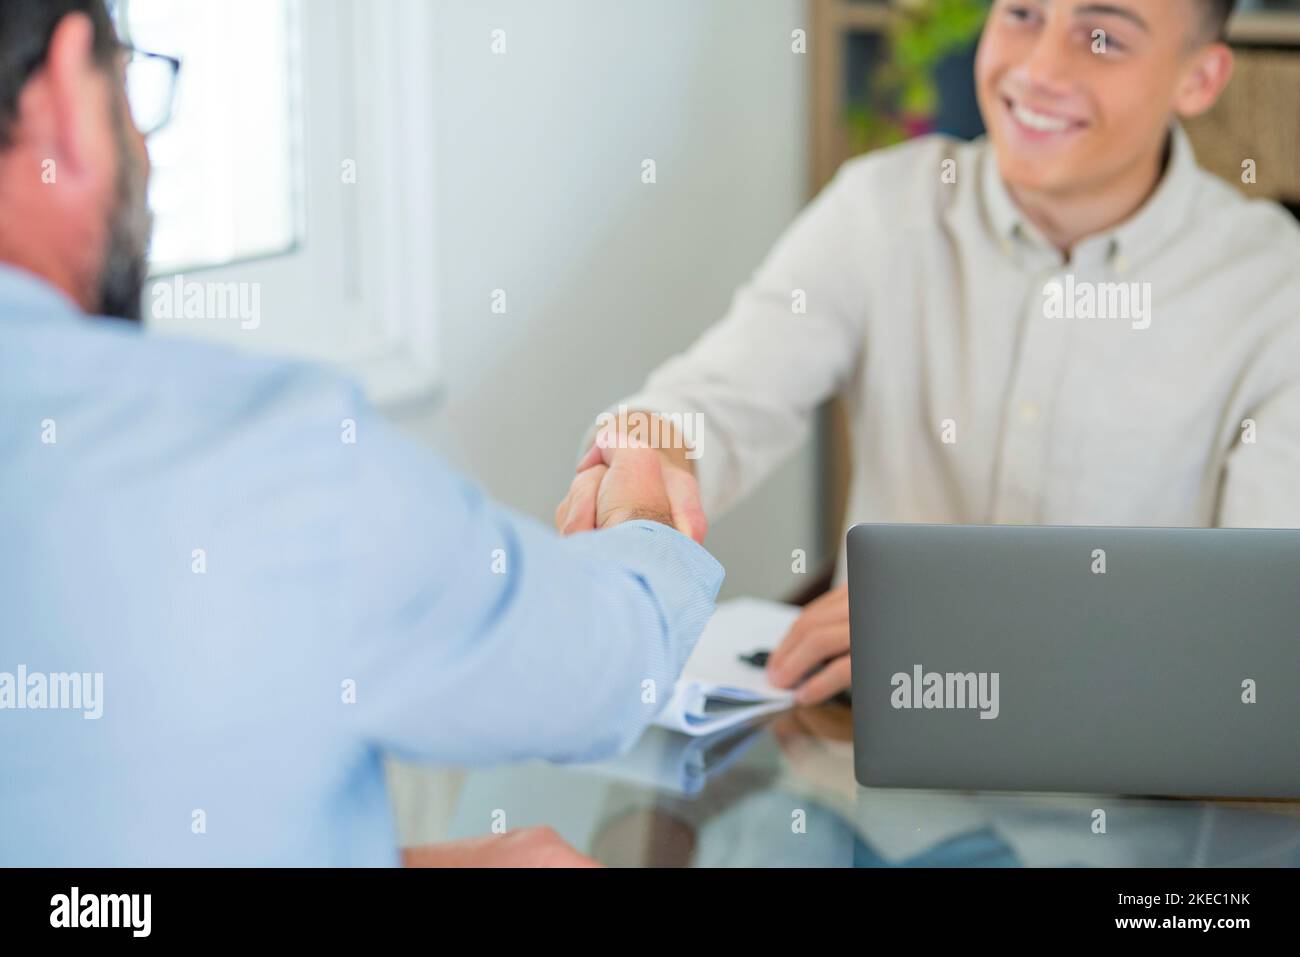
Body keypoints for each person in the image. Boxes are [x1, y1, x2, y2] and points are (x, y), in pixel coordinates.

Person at [0, 0, 722, 866]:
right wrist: (644, 504)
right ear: (63, 99)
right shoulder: (272, 459)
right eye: (128, 90)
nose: (146, 154)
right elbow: (609, 665)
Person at [558, 0, 1300, 704]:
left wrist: (977, 639)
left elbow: (1264, 616)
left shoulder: (1273, 288)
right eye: (1021, 14)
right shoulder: (882, 210)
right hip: (870, 768)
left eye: (1102, 36)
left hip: (1138, 790)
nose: (1038, 68)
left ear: (1198, 78)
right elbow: (710, 403)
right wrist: (641, 461)